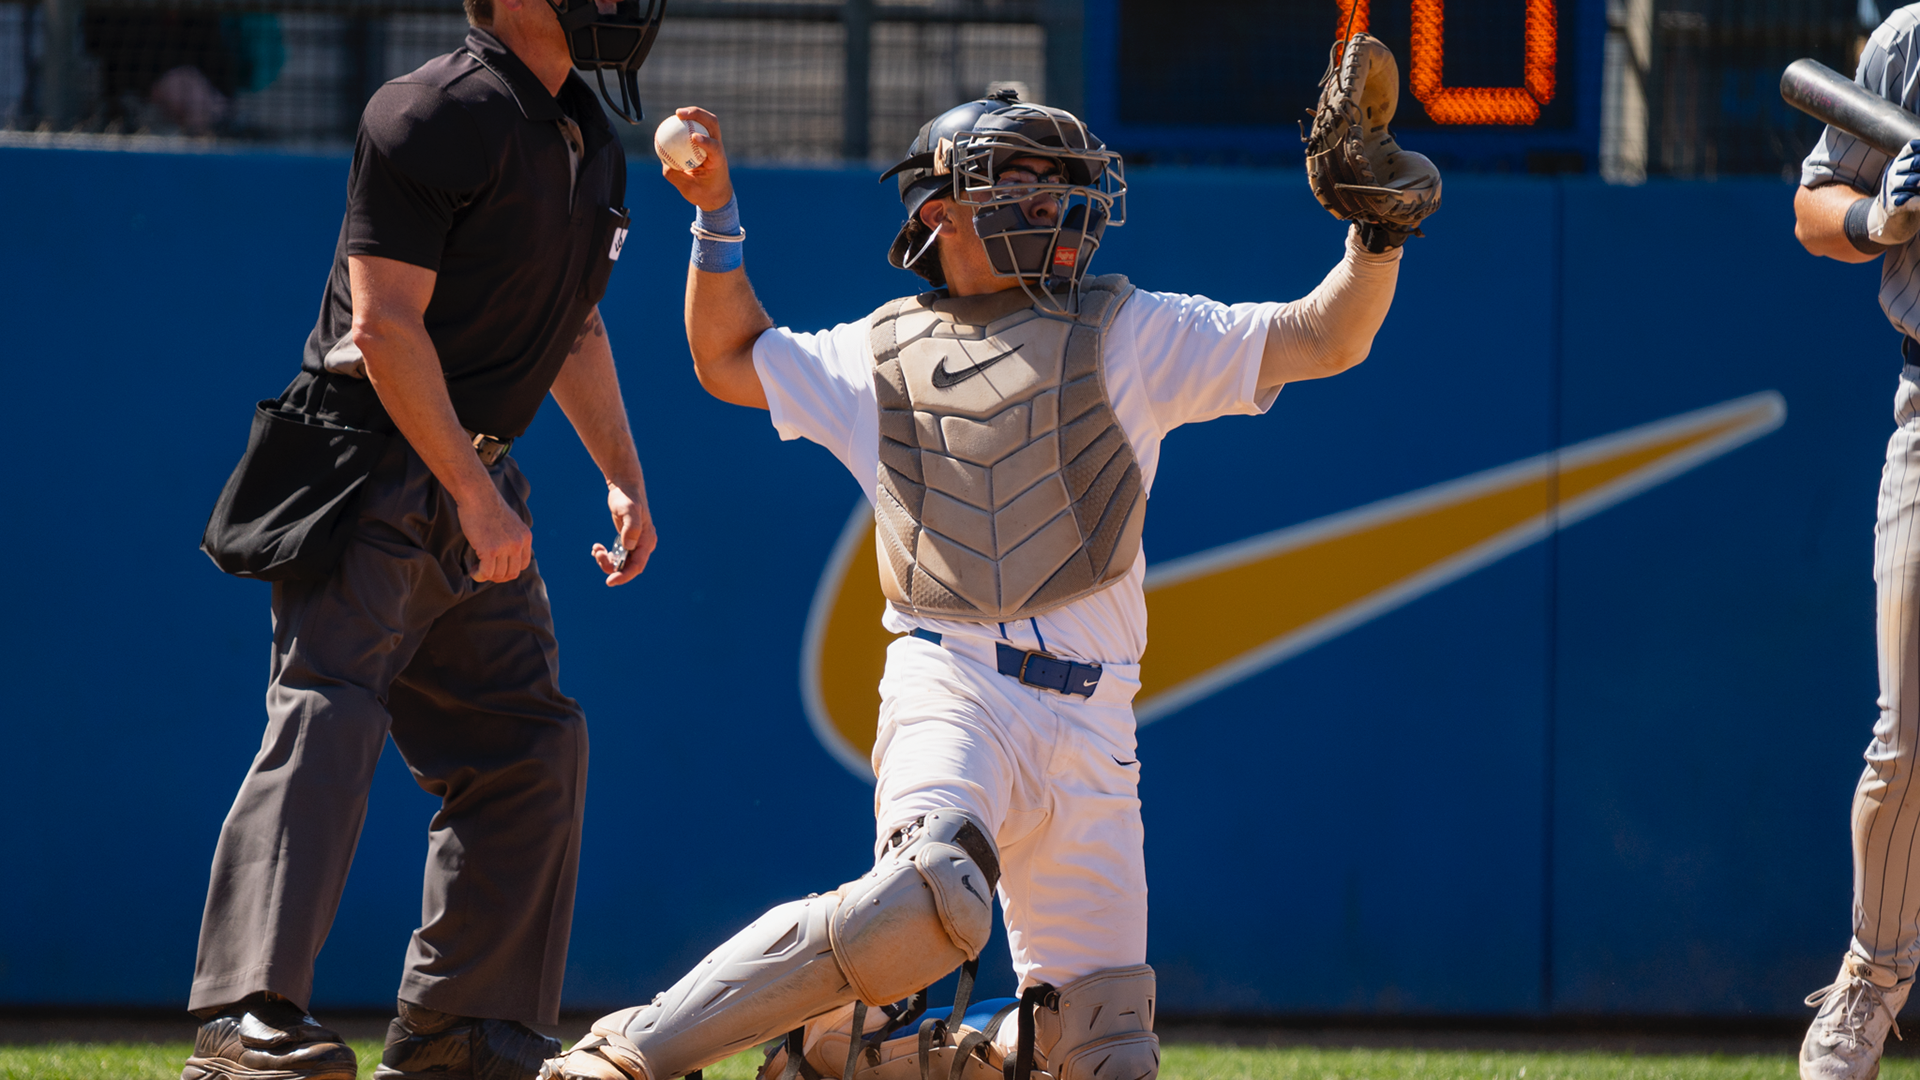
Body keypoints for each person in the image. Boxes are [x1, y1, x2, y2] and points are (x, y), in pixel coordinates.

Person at [543, 77, 1430, 1080]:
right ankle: (627, 1054)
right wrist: (715, 213)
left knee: (1103, 1057)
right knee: (928, 903)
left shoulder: (1130, 326)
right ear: (940, 211)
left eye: (1061, 182)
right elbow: (729, 355)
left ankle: (859, 1055)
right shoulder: (881, 350)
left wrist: (1377, 236)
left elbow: (1329, 335)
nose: (1053, 201)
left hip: (1097, 725)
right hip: (953, 678)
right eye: (1022, 180)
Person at [180, 0, 660, 1072]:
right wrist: (474, 494)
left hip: (472, 472)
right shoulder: (429, 111)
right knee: (328, 714)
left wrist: (622, 478)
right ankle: (243, 1020)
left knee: (528, 743)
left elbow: (576, 324)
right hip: (370, 459)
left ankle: (461, 1027)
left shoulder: (589, 136)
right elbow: (383, 325)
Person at [1795, 6, 1920, 1078]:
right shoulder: (1908, 42)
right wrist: (1881, 217)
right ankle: (1871, 985)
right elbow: (1812, 205)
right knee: (1908, 733)